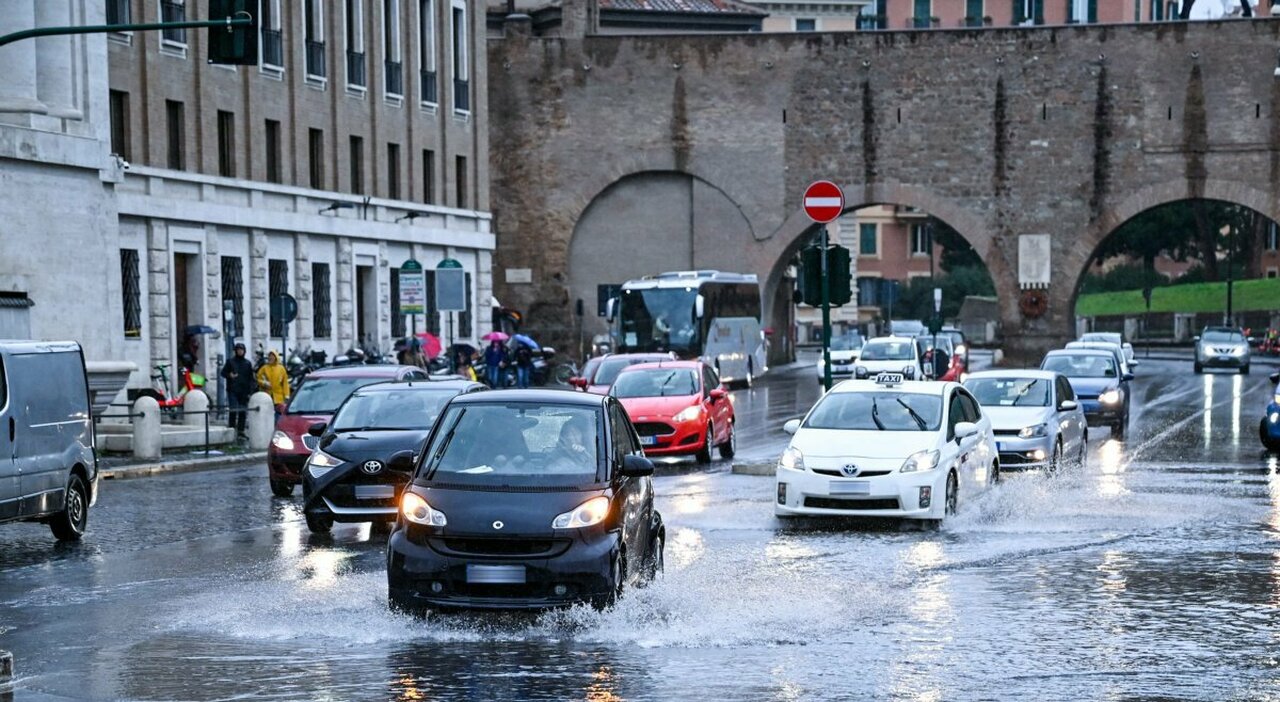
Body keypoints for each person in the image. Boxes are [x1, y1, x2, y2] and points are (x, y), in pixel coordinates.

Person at [220, 342, 255, 440]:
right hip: (233, 390)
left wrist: (250, 391)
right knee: (233, 409)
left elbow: (251, 378)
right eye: (238, 350)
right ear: (236, 351)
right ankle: (231, 430)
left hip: (244, 391)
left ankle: (241, 431)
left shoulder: (247, 363)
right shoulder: (230, 362)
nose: (240, 351)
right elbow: (223, 373)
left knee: (242, 411)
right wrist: (229, 375)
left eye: (242, 350)